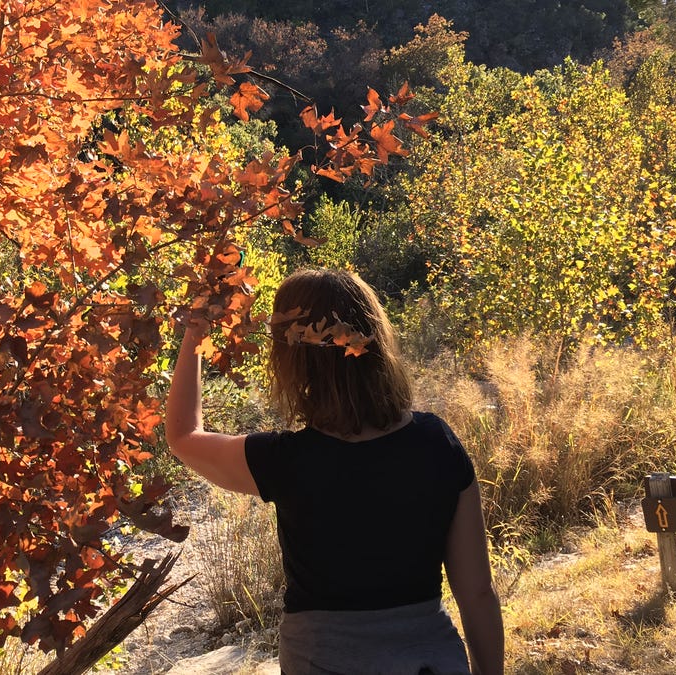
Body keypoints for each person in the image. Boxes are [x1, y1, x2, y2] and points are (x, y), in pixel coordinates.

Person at [165, 268, 503, 675]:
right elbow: (478, 595)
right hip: (431, 663)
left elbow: (183, 436)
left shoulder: (284, 460)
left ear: (292, 360)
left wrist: (196, 330)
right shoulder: (437, 443)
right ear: (376, 341)